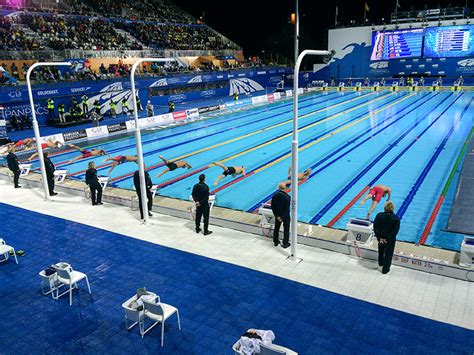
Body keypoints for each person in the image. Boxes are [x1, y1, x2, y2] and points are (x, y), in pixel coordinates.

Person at [374, 201, 400, 274]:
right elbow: (395, 232)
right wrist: (387, 239)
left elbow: (375, 227)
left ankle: (380, 263)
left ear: (384, 208)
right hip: (390, 240)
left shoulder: (379, 215)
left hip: (381, 238)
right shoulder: (396, 218)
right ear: (392, 208)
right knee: (388, 254)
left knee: (381, 251)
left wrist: (379, 238)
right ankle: (385, 270)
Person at [271, 183, 291, 248]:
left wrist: (277, 216)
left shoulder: (274, 196)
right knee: (286, 229)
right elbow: (286, 209)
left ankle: (276, 241)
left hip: (277, 215)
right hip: (285, 216)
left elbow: (273, 207)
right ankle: (285, 243)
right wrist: (282, 217)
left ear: (279, 188)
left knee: (276, 228)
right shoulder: (287, 197)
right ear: (285, 188)